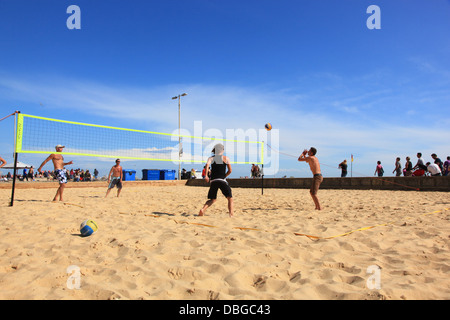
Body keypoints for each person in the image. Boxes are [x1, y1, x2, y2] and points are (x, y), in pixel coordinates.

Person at [199, 143, 234, 217]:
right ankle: (231, 214)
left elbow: (207, 166)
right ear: (222, 150)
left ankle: (203, 209)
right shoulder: (226, 158)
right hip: (222, 180)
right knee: (230, 198)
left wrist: (206, 176)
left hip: (213, 181)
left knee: (212, 199)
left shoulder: (211, 158)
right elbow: (230, 170)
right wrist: (224, 176)